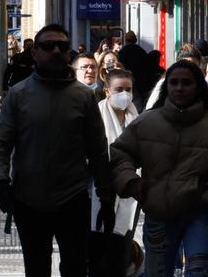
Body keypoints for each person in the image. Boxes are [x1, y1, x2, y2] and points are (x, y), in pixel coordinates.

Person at [0, 24, 115, 277]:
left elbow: (98, 150)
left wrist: (106, 197)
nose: (56, 51)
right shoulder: (18, 95)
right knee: (36, 269)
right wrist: (0, 180)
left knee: (75, 267)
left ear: (69, 52)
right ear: (35, 52)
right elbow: (1, 144)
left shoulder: (83, 97)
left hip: (73, 199)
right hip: (28, 200)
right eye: (48, 46)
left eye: (62, 46)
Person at [110, 61, 208, 277]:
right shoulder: (147, 122)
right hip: (159, 213)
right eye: (174, 82)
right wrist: (132, 182)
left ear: (198, 87)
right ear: (166, 86)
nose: (179, 88)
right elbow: (120, 153)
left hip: (200, 213)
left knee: (198, 271)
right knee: (157, 271)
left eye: (186, 83)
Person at [88, 69, 142, 277]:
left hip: (130, 192)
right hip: (100, 192)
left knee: (121, 248)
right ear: (107, 91)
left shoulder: (135, 116)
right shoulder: (96, 116)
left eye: (128, 89)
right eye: (119, 89)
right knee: (98, 250)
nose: (125, 94)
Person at [145, 43, 204, 110]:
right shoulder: (164, 82)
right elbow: (150, 108)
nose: (179, 88)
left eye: (193, 67)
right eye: (184, 65)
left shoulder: (202, 84)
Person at [118, 31, 154, 105]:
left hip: (127, 80)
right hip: (140, 82)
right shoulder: (141, 51)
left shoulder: (122, 52)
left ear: (125, 40)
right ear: (135, 40)